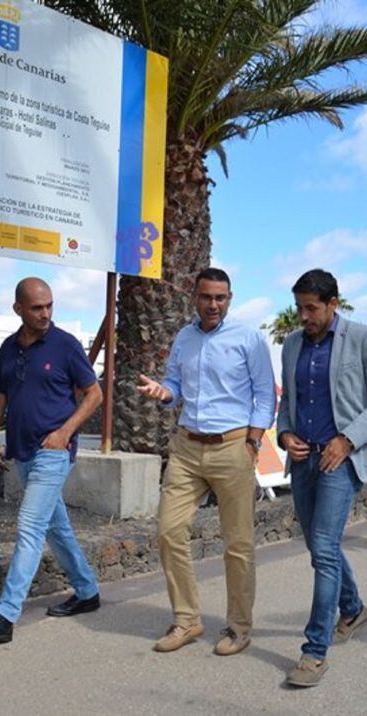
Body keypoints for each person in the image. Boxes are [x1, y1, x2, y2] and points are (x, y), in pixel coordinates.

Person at [137, 268, 276, 656]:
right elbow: (175, 386)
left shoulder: (248, 338)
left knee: (238, 543)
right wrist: (163, 392)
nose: (213, 305)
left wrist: (253, 440)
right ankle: (187, 620)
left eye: (220, 298)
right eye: (206, 297)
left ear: (229, 299)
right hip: (186, 446)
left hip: (232, 447)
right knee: (168, 531)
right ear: (194, 297)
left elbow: (265, 395)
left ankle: (238, 627)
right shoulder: (184, 337)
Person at [275, 270, 367, 687]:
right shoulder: (291, 345)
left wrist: (347, 440)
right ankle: (353, 609)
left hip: (340, 461)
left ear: (333, 304)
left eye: (311, 308)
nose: (304, 316)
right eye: (299, 308)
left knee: (324, 549)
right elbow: (288, 402)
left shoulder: (361, 339)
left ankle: (314, 651)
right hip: (304, 459)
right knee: (316, 544)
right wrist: (285, 434)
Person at [0, 278, 104, 645]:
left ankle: (5, 616)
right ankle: (87, 591)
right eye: (36, 308)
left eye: (49, 306)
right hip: (22, 451)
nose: (45, 314)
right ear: (18, 309)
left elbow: (95, 394)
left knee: (29, 526)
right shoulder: (9, 349)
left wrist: (65, 433)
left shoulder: (65, 345)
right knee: (55, 527)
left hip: (54, 452)